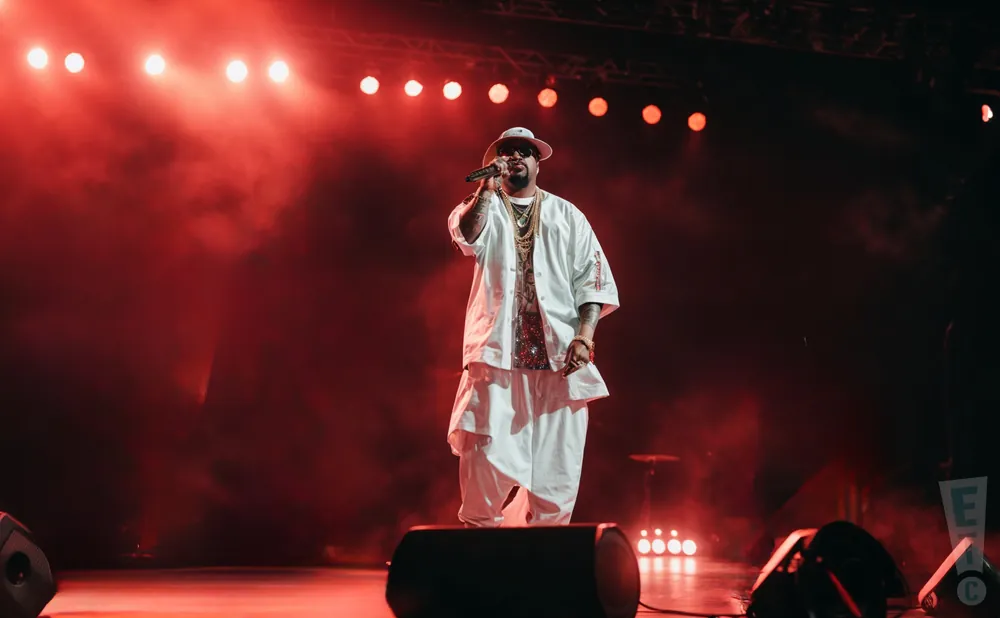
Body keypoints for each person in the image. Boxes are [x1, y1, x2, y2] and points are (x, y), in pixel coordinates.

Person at [446, 127, 620, 527]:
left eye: (525, 152)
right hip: (497, 359)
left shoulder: (567, 215)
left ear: (538, 163)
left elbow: (592, 281)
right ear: (497, 162)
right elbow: (467, 236)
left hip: (557, 364)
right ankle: (480, 566)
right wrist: (486, 191)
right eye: (508, 152)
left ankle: (542, 567)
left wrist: (585, 336)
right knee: (484, 465)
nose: (517, 157)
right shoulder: (480, 208)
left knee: (556, 476)